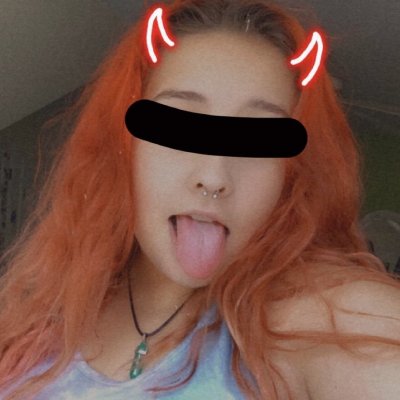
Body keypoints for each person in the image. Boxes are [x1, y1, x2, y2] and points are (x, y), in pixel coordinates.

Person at [1, 0, 399, 399]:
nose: (214, 177)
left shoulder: (315, 320)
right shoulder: (46, 307)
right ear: (121, 147)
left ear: (292, 175)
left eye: (257, 140)